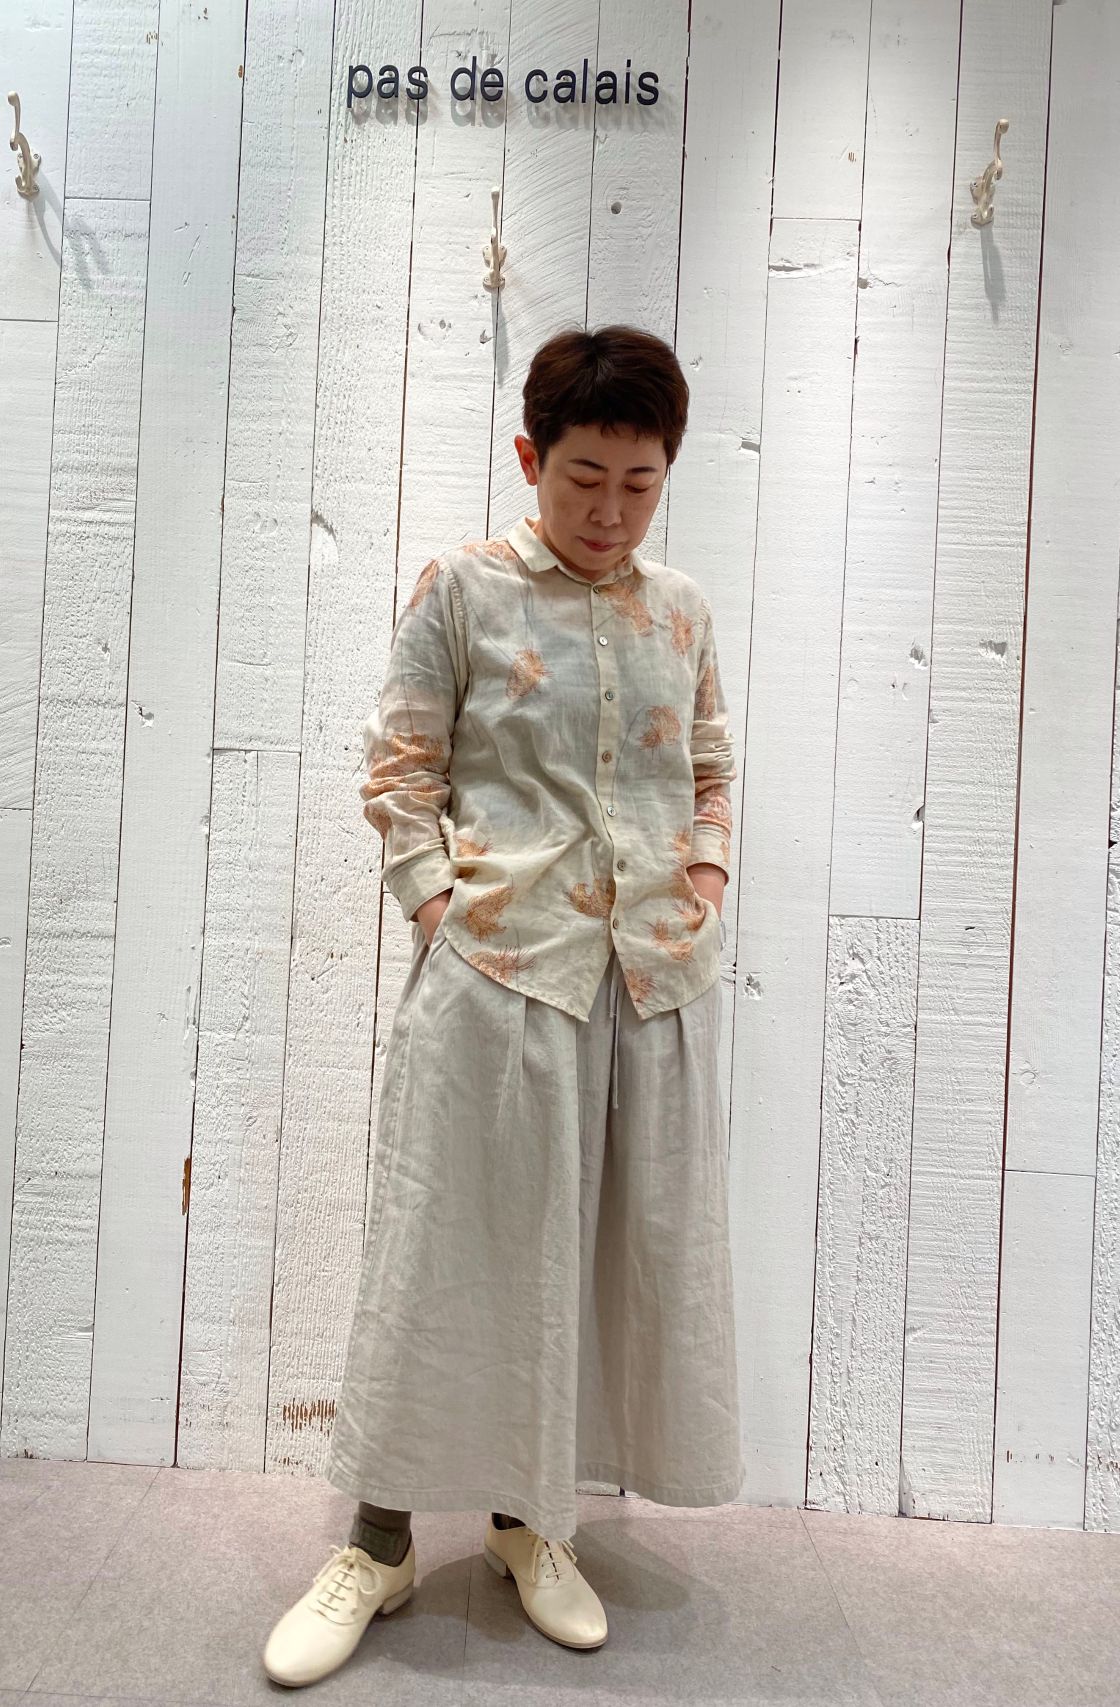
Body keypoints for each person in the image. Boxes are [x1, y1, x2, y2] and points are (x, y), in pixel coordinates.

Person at [263, 324, 743, 1688]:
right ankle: (377, 1542)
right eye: (585, 476)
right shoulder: (463, 590)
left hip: (647, 986)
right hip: (497, 976)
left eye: (639, 483)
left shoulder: (682, 609)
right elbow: (398, 771)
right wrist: (441, 915)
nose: (609, 511)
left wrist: (704, 880)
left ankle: (534, 1523)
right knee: (441, 1257)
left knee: (584, 1267)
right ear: (532, 458)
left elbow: (712, 763)